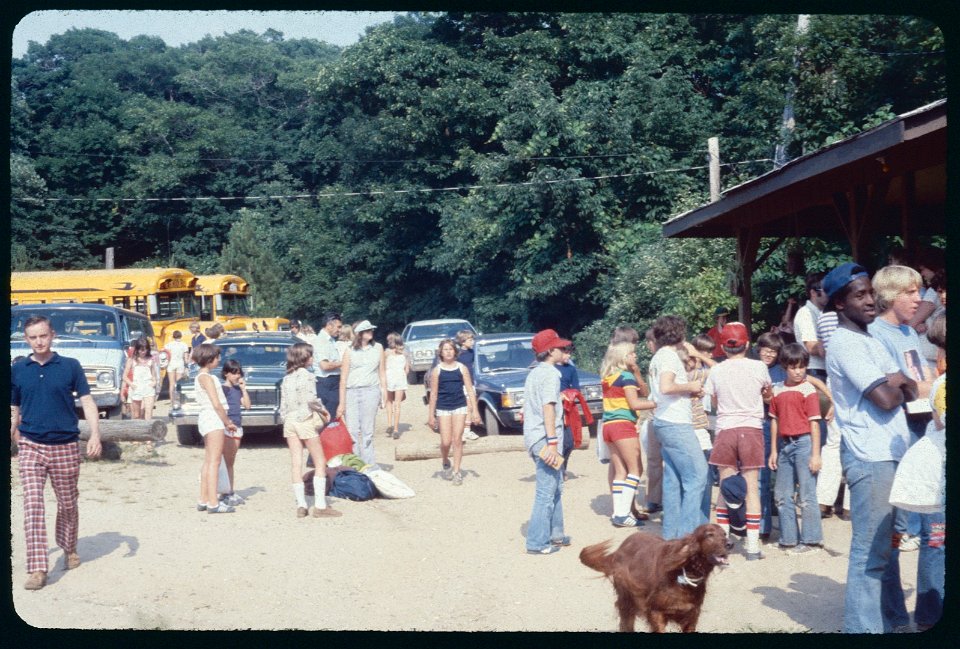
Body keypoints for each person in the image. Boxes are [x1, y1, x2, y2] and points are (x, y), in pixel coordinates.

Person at [821, 261, 916, 633]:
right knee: (870, 552)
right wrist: (900, 384)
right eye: (858, 295)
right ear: (839, 305)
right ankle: (862, 628)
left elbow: (902, 386)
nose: (869, 300)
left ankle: (892, 620)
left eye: (869, 292)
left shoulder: (870, 338)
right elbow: (887, 398)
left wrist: (902, 380)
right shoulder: (846, 343)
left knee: (888, 545)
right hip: (870, 456)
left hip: (888, 453)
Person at [11, 316, 103, 590]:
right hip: (31, 444)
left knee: (67, 503)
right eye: (33, 337)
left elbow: (87, 401)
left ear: (52, 335)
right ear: (26, 339)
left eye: (43, 336)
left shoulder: (70, 366)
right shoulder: (18, 370)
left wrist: (95, 435)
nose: (39, 342)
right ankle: (38, 568)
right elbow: (12, 408)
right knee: (33, 505)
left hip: (65, 444)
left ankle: (69, 547)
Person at [704, 321, 772, 560]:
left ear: (722, 346)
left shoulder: (716, 370)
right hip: (751, 429)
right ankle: (752, 547)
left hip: (725, 430)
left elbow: (713, 402)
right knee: (751, 488)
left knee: (725, 487)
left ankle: (721, 548)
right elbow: (767, 394)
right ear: (748, 343)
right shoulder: (759, 367)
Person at [648, 315, 710, 540]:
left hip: (663, 421)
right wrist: (691, 385)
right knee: (698, 476)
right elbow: (666, 387)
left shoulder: (658, 356)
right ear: (679, 334)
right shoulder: (670, 357)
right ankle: (688, 539)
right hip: (676, 423)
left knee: (674, 479)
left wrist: (687, 390)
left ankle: (671, 537)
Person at [767, 342, 823, 554]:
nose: (798, 371)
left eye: (802, 366)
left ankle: (811, 541)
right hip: (785, 446)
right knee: (782, 494)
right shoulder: (778, 390)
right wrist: (773, 450)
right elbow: (774, 421)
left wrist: (816, 454)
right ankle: (788, 538)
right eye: (793, 367)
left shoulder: (808, 390)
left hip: (804, 443)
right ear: (784, 367)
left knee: (807, 494)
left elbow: (814, 423)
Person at [280, 342, 341, 518]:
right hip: (304, 420)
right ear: (303, 358)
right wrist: (323, 410)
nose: (312, 359)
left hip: (290, 421)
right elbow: (311, 400)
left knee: (296, 462)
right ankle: (320, 505)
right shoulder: (307, 376)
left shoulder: (286, 378)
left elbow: (283, 405)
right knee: (320, 461)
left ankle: (301, 505)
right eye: (310, 355)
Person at [523, 329, 571, 554]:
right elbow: (548, 407)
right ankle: (537, 542)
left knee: (556, 485)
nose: (564, 350)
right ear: (550, 351)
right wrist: (552, 442)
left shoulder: (534, 372)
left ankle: (556, 534)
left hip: (535, 437)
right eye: (561, 347)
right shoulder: (550, 374)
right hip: (545, 438)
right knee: (546, 490)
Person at [600, 341, 655, 527]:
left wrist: (637, 373)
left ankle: (619, 512)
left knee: (621, 471)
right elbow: (636, 404)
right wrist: (658, 402)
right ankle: (623, 514)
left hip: (608, 426)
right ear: (624, 357)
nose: (635, 356)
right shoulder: (625, 377)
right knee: (636, 470)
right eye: (632, 353)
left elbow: (642, 392)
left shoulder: (608, 377)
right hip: (623, 425)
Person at [427, 339, 480, 486]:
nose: (448, 352)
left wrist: (475, 411)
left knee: (457, 439)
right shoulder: (437, 370)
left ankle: (457, 472)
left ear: (455, 352)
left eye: (451, 349)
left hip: (460, 406)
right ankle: (445, 460)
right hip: (443, 407)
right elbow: (433, 394)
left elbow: (470, 390)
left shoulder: (462, 368)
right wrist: (431, 415)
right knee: (445, 441)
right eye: (445, 349)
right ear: (441, 353)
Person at [193, 343, 237, 514]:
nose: (219, 360)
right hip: (213, 418)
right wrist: (227, 422)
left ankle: (203, 498)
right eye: (217, 357)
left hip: (206, 418)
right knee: (215, 462)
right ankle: (213, 502)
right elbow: (216, 403)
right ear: (209, 359)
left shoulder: (201, 376)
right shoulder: (207, 378)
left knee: (208, 460)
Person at [337, 320, 386, 467]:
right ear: (359, 334)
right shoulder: (349, 351)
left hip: (371, 391)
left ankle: (369, 464)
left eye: (371, 330)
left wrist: (384, 394)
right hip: (351, 392)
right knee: (352, 431)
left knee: (368, 431)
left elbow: (382, 372)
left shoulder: (378, 348)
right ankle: (356, 464)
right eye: (367, 330)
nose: (370, 332)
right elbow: (343, 378)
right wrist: (342, 402)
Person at [755, 331, 786, 538]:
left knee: (781, 477)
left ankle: (786, 528)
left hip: (776, 425)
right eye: (766, 350)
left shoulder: (781, 372)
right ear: (759, 350)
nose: (769, 355)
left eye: (773, 352)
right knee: (759, 477)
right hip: (756, 424)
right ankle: (761, 526)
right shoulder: (751, 369)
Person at [220, 359, 250, 507]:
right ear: (226, 374)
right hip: (227, 426)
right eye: (234, 373)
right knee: (226, 461)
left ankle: (229, 490)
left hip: (237, 426)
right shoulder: (223, 390)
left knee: (231, 460)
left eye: (239, 373)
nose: (237, 376)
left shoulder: (237, 390)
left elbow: (247, 405)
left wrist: (244, 389)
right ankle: (225, 491)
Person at [793, 272, 829, 380]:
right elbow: (811, 347)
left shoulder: (822, 313)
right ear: (813, 293)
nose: (830, 293)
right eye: (826, 290)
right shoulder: (806, 313)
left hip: (824, 370)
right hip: (815, 372)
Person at [314, 312, 344, 424]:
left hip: (332, 382)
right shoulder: (322, 341)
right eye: (338, 327)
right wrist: (344, 362)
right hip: (327, 383)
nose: (340, 330)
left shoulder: (330, 340)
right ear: (329, 325)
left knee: (334, 418)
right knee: (329, 419)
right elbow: (325, 366)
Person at [123, 337, 159, 420]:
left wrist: (154, 382)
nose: (143, 352)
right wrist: (131, 384)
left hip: (148, 387)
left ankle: (148, 431)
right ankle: (137, 431)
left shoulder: (151, 360)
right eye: (141, 349)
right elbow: (124, 376)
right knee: (136, 414)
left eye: (145, 349)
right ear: (137, 349)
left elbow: (154, 375)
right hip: (136, 387)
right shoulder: (132, 360)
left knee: (148, 411)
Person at [385, 331, 410, 440]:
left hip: (389, 378)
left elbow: (382, 366)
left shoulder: (386, 353)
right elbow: (407, 370)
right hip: (400, 379)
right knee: (398, 404)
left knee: (389, 402)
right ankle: (396, 429)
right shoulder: (404, 354)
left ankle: (390, 424)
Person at [456, 330, 480, 441]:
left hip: (470, 383)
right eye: (470, 340)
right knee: (463, 408)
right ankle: (460, 431)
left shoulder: (472, 352)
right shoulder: (458, 354)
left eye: (472, 340)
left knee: (470, 407)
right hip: (460, 384)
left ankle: (467, 430)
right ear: (463, 341)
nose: (473, 342)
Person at [163, 330, 189, 407]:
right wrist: (187, 366)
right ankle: (178, 401)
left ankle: (172, 401)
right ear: (181, 336)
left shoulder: (168, 345)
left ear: (173, 336)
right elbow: (186, 357)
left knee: (171, 383)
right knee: (178, 384)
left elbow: (165, 354)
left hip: (171, 364)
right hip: (180, 363)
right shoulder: (184, 345)